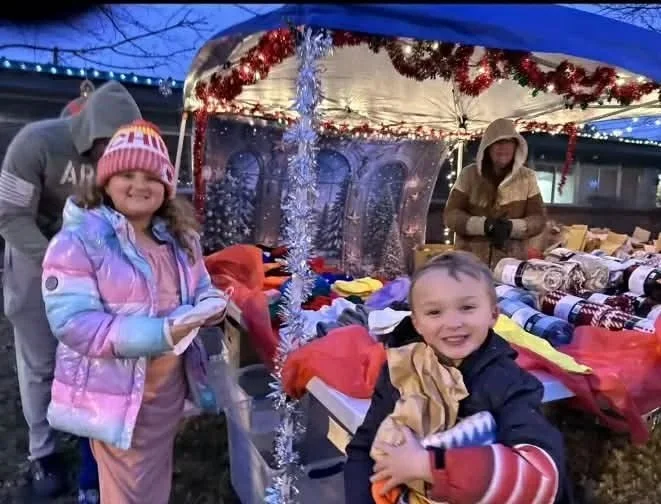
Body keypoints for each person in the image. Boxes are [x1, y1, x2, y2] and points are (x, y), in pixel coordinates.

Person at [41, 118, 227, 503]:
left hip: (165, 395)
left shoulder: (180, 240)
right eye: (127, 173)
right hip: (114, 395)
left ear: (166, 186)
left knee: (151, 479)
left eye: (151, 176)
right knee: (128, 490)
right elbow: (74, 323)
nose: (140, 185)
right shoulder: (79, 241)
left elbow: (201, 287)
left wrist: (210, 307)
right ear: (106, 180)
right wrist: (160, 333)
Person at [0, 80, 141, 499]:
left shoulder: (124, 164)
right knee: (40, 360)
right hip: (34, 254)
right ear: (88, 132)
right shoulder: (35, 144)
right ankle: (43, 452)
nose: (111, 158)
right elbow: (10, 217)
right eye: (106, 147)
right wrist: (58, 261)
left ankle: (93, 450)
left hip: (92, 261)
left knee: (92, 357)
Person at [344, 251, 573, 504]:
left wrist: (428, 466)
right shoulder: (401, 370)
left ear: (493, 315)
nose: (453, 323)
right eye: (434, 312)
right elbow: (363, 450)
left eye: (467, 308)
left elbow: (542, 475)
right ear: (417, 323)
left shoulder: (510, 384)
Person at [444, 118, 546, 268]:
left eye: (508, 142)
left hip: (511, 264)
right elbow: (451, 215)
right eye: (498, 142)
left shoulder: (527, 177)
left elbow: (538, 219)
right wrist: (482, 225)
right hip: (470, 262)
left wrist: (512, 227)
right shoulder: (469, 174)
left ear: (516, 146)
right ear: (488, 147)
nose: (503, 147)